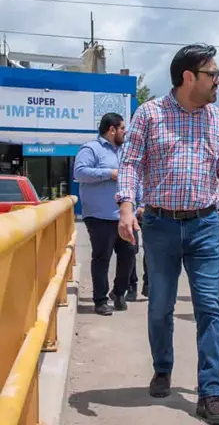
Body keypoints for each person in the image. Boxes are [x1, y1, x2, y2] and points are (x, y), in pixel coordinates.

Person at [117, 43, 219, 425]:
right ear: (189, 77)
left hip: (204, 225)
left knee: (210, 308)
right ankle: (163, 367)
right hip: (160, 225)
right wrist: (126, 208)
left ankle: (211, 392)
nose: (218, 81)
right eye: (212, 74)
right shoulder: (149, 114)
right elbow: (130, 163)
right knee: (160, 306)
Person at [74, 112, 137, 316]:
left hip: (123, 215)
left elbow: (134, 178)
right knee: (102, 257)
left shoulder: (125, 152)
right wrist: (109, 173)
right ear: (111, 130)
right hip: (99, 216)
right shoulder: (91, 149)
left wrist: (138, 206)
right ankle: (100, 300)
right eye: (122, 128)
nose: (125, 132)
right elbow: (79, 173)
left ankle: (118, 293)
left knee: (129, 254)